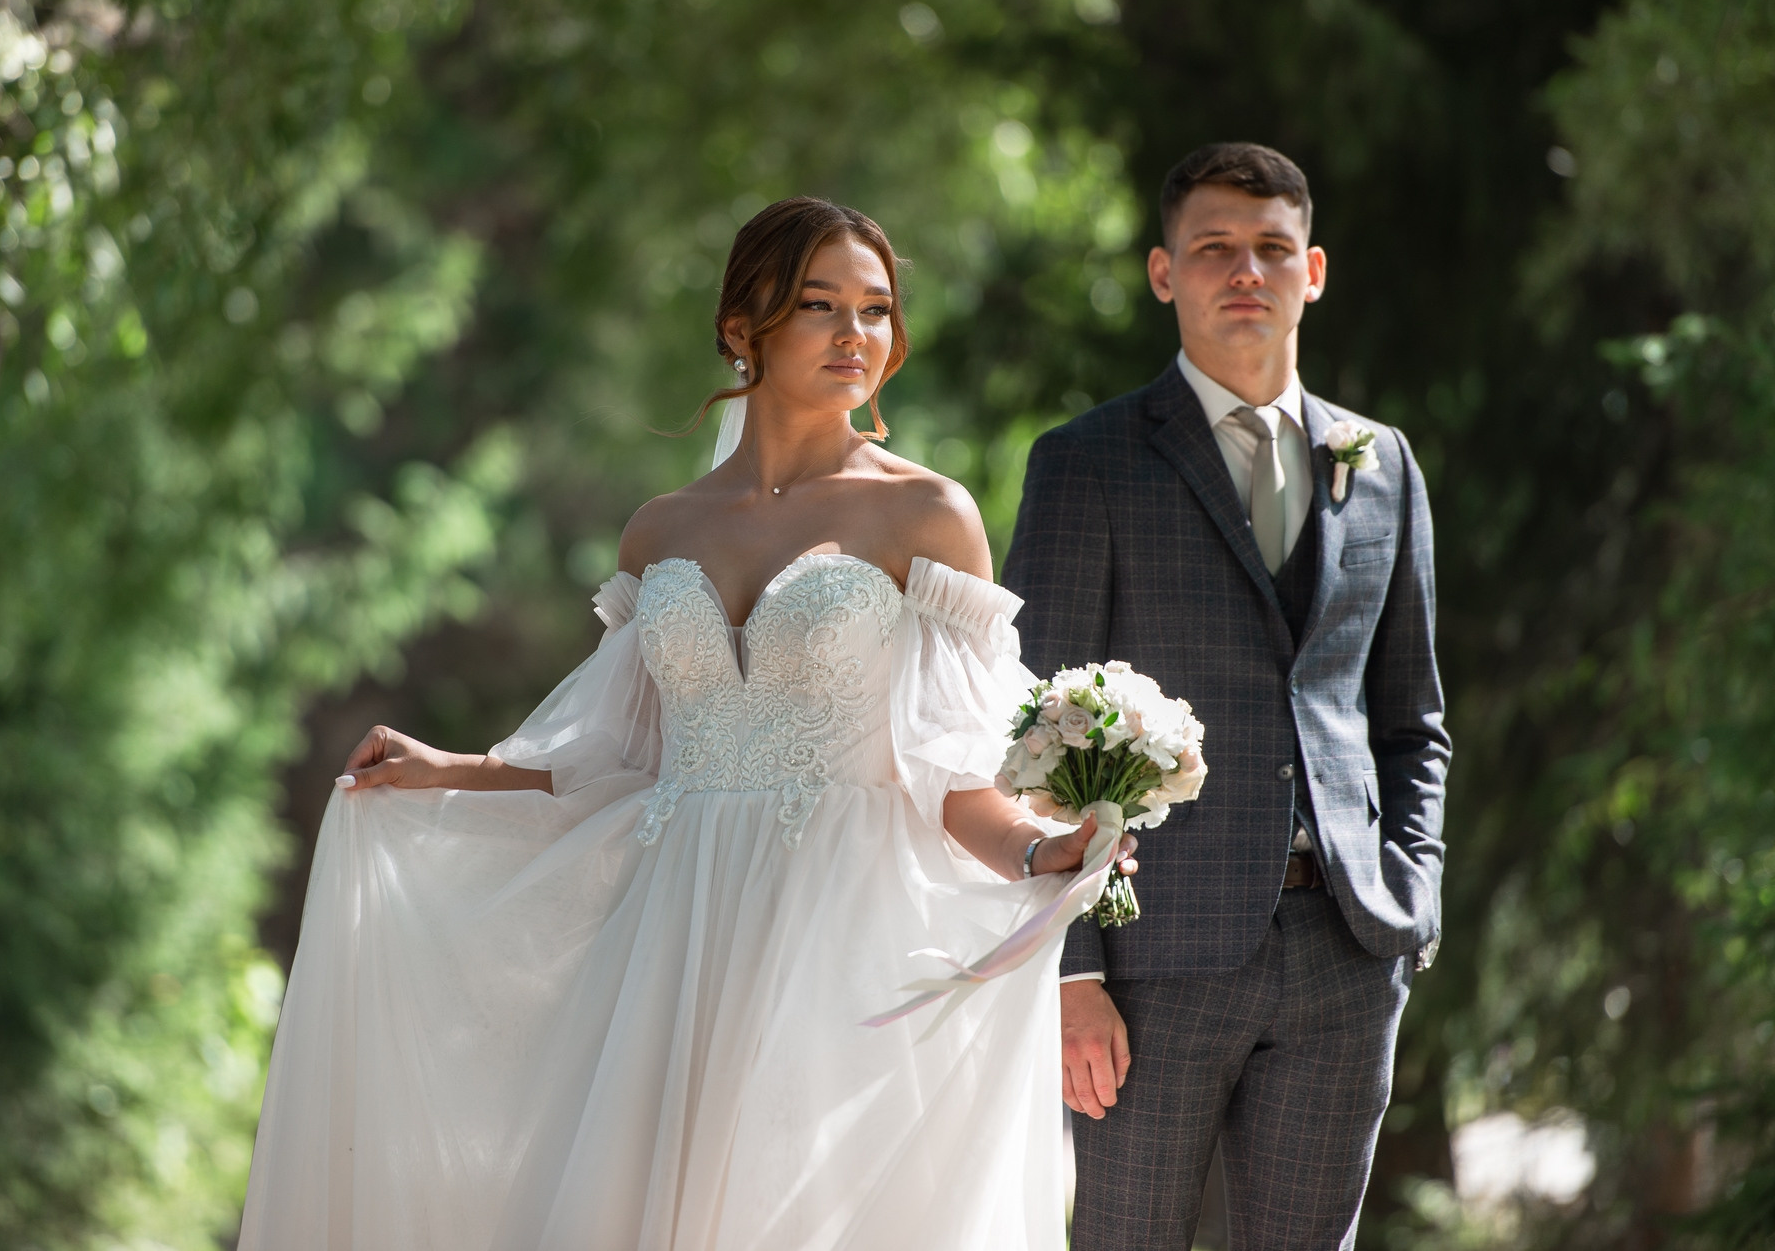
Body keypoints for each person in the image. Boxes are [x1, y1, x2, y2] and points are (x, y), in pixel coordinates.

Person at [238, 196, 1138, 1251]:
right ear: (740, 326)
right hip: (677, 926)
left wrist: (1037, 851)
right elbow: (621, 757)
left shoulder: (926, 514)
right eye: (819, 305)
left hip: (845, 927)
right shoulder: (660, 529)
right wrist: (452, 767)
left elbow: (953, 775)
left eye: (875, 309)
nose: (855, 334)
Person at [1004, 143, 1449, 1250]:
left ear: (1313, 271)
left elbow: (1411, 720)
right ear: (1164, 272)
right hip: (1147, 957)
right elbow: (1029, 728)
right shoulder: (1087, 461)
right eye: (1213, 248)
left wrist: (1410, 895)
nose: (1244, 270)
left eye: (1270, 248)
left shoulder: (1381, 463)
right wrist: (1071, 968)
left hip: (1348, 947)